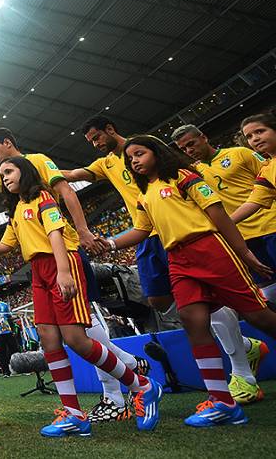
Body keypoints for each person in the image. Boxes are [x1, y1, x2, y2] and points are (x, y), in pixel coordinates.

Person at [60, 117, 258, 412]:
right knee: (158, 299)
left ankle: (240, 370)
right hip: (148, 232)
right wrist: (45, 173)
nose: (96, 144)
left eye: (97, 137)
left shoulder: (153, 152)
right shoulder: (107, 164)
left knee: (221, 305)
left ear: (111, 129)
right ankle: (242, 345)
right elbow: (75, 174)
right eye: (91, 142)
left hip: (183, 233)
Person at [0, 155, 160, 437]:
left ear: (25, 171)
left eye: (9, 171)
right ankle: (74, 415)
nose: (5, 177)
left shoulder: (43, 198)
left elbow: (56, 235)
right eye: (2, 174)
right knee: (49, 341)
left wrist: (63, 271)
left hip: (61, 263)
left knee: (77, 340)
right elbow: (5, 245)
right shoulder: (16, 208)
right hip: (38, 271)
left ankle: (142, 386)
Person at [103, 135, 276, 427]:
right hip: (178, 260)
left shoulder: (185, 177)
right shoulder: (144, 195)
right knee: (191, 319)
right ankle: (223, 403)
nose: (134, 161)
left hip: (211, 249)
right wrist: (108, 244)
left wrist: (243, 252)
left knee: (258, 315)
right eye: (130, 158)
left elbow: (218, 214)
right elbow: (141, 231)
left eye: (139, 154)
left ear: (157, 153)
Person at [172, 123, 272, 403]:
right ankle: (243, 361)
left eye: (192, 144)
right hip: (238, 238)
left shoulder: (240, 154)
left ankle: (244, 363)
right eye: (184, 149)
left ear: (204, 137)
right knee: (262, 299)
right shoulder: (193, 173)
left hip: (270, 225)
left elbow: (268, 180)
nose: (190, 150)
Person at [232, 111, 276, 305]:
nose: (255, 138)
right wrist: (219, 226)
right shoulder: (266, 171)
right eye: (249, 136)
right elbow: (253, 203)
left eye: (260, 131)